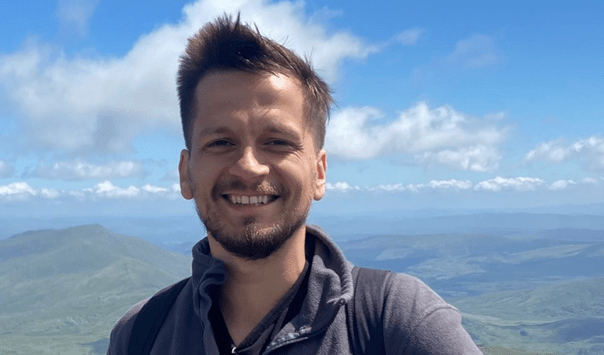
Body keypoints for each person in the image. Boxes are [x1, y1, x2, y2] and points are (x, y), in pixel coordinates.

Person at [107, 14, 482, 355]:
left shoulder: (398, 319)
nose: (249, 167)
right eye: (221, 142)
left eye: (278, 142)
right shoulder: (141, 334)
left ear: (319, 172)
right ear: (185, 173)